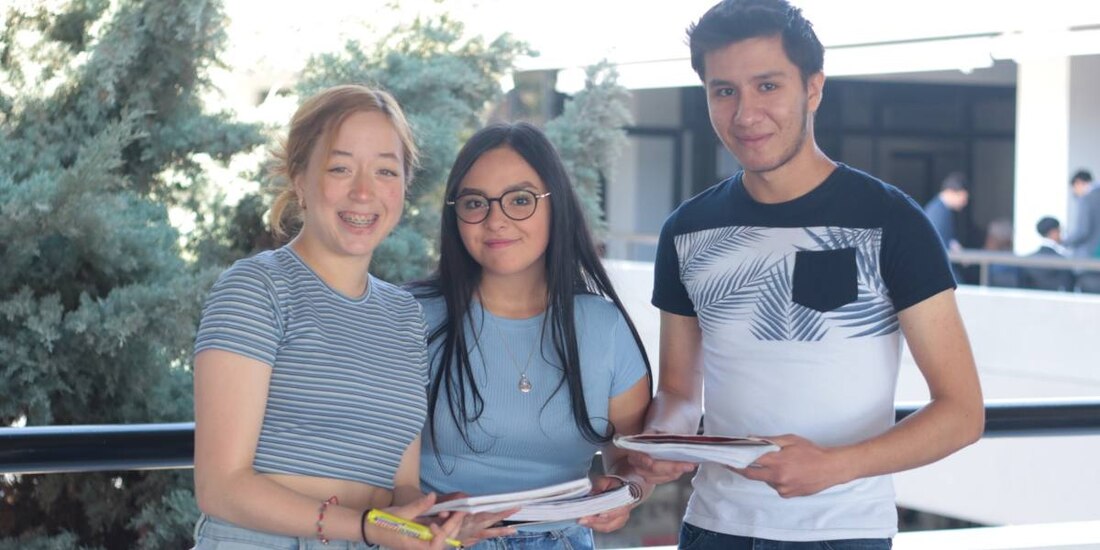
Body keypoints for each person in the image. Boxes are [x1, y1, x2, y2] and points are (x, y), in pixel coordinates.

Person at [629, 1, 985, 548]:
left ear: (813, 88)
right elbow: (679, 389)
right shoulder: (685, 229)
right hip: (712, 529)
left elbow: (962, 414)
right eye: (724, 91)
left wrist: (835, 466)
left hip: (843, 534)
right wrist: (664, 438)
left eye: (767, 86)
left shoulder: (892, 220)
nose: (745, 114)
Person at [191, 84, 464, 549]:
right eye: (340, 168)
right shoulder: (256, 289)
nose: (363, 192)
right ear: (299, 178)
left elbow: (401, 487)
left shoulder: (404, 316)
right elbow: (221, 488)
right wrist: (363, 525)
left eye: (385, 171)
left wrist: (428, 522)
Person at [409, 122, 653, 550]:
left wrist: (623, 493)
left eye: (520, 200)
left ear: (555, 206)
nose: (496, 220)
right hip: (436, 542)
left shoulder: (603, 326)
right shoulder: (412, 318)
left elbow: (634, 465)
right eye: (474, 203)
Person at [1063, 169, 1100, 293]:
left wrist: (1064, 241)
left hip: (1089, 261)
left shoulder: (1087, 199)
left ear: (1078, 183)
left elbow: (1082, 231)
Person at [1020, 216, 1075, 291]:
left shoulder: (1027, 260)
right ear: (1054, 232)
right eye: (1060, 231)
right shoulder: (1061, 260)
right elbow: (1068, 288)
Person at [923, 172, 970, 254]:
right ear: (951, 192)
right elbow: (936, 243)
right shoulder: (937, 212)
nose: (964, 203)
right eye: (962, 198)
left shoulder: (941, 208)